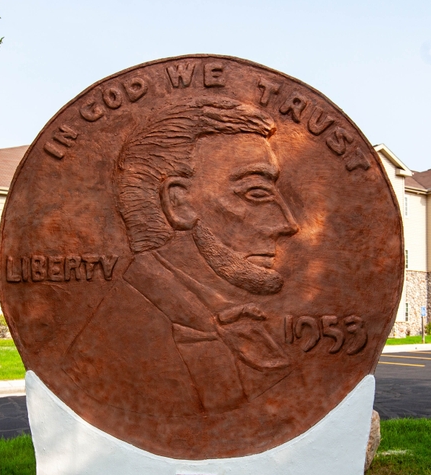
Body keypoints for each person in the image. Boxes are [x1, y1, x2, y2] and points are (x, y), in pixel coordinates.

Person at [61, 98, 301, 417]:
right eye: (256, 193)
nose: (286, 224)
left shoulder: (220, 314)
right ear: (178, 203)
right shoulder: (111, 351)